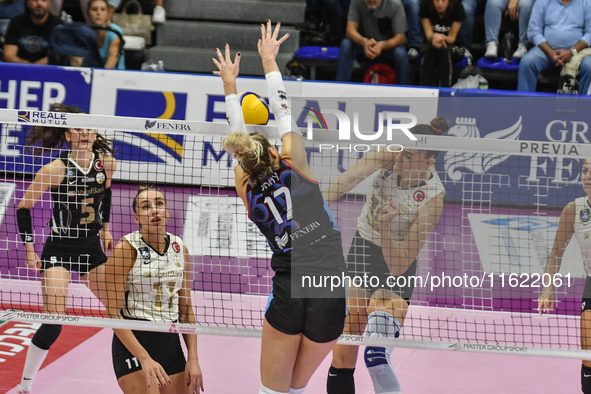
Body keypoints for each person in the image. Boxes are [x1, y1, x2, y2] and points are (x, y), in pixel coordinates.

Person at [213, 21, 346, 394]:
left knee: (274, 390)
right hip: (330, 287)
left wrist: (229, 87)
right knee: (299, 388)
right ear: (273, 151)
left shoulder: (247, 187)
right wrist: (269, 61)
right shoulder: (294, 161)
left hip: (290, 286)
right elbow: (284, 110)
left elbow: (238, 143)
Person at [324, 118, 448, 394]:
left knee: (376, 357)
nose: (400, 160)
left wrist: (385, 227)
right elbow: (343, 182)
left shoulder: (432, 197)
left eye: (410, 156)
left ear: (429, 161)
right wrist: (311, 208)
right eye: (401, 152)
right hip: (362, 252)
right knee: (343, 355)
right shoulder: (390, 155)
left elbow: (400, 264)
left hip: (397, 264)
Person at [15, 103, 117, 394]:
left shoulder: (106, 163)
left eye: (88, 128)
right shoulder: (53, 170)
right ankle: (25, 385)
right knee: (54, 321)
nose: (85, 133)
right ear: (68, 135)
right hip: (59, 249)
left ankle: (139, 366)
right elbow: (24, 208)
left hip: (92, 248)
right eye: (78, 129)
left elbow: (105, 193)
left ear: (94, 131)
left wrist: (107, 229)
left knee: (121, 310)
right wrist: (29, 249)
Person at [104, 187, 204, 393]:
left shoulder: (180, 249)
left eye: (159, 204)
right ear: (136, 218)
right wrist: (144, 358)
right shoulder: (126, 249)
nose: (154, 211)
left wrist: (193, 358)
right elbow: (112, 314)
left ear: (167, 211)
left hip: (170, 340)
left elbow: (185, 311)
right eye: (146, 207)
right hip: (135, 342)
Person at [538, 159, 591, 394]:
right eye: (585, 171)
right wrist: (547, 288)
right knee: (588, 354)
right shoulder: (574, 210)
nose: (588, 176)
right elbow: (556, 252)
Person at [517, 0, 591, 93]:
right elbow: (534, 31)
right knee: (527, 62)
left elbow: (590, 33)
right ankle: (523, 105)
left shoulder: (586, 2)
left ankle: (585, 106)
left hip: (578, 52)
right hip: (547, 51)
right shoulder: (543, 2)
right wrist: (550, 52)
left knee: (589, 66)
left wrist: (572, 51)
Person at [335, 0, 410, 85]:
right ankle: (341, 88)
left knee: (400, 53)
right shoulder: (356, 1)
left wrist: (382, 45)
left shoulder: (395, 3)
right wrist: (365, 42)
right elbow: (350, 30)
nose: (370, 0)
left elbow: (400, 37)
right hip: (365, 47)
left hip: (388, 49)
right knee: (346, 44)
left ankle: (403, 92)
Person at [419, 0, 465, 87]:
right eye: (437, 0)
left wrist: (440, 38)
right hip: (431, 44)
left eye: (443, 0)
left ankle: (445, 89)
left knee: (443, 50)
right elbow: (429, 35)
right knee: (431, 48)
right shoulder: (426, 4)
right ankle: (425, 88)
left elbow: (452, 38)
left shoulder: (457, 6)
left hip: (454, 46)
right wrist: (435, 37)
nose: (440, 3)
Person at [87, 0, 125, 68]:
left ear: (107, 13)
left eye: (103, 9)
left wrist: (101, 77)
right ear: (88, 13)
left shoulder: (115, 31)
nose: (98, 13)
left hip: (114, 75)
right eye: (94, 9)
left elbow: (112, 57)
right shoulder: (85, 31)